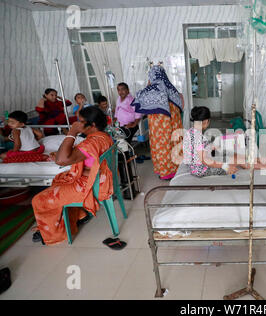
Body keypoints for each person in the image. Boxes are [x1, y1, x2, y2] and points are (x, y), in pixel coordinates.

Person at [31, 107, 113, 245]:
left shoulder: (91, 142)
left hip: (91, 185)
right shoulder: (103, 136)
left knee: (38, 200)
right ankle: (79, 215)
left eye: (80, 121)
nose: (77, 124)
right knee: (59, 179)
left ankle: (54, 233)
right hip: (99, 179)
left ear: (92, 125)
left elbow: (61, 160)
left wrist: (72, 132)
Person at [184, 107, 266, 177]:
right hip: (202, 170)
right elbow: (205, 160)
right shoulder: (198, 137)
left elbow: (198, 151)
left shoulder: (190, 132)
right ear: (206, 121)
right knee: (237, 159)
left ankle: (258, 160)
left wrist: (214, 148)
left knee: (232, 154)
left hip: (198, 164)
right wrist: (225, 167)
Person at [132, 65, 184, 180]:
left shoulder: (151, 90)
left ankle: (166, 173)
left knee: (162, 147)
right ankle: (176, 169)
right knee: (174, 145)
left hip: (159, 129)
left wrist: (148, 85)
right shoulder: (172, 89)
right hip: (174, 126)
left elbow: (138, 97)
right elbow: (182, 105)